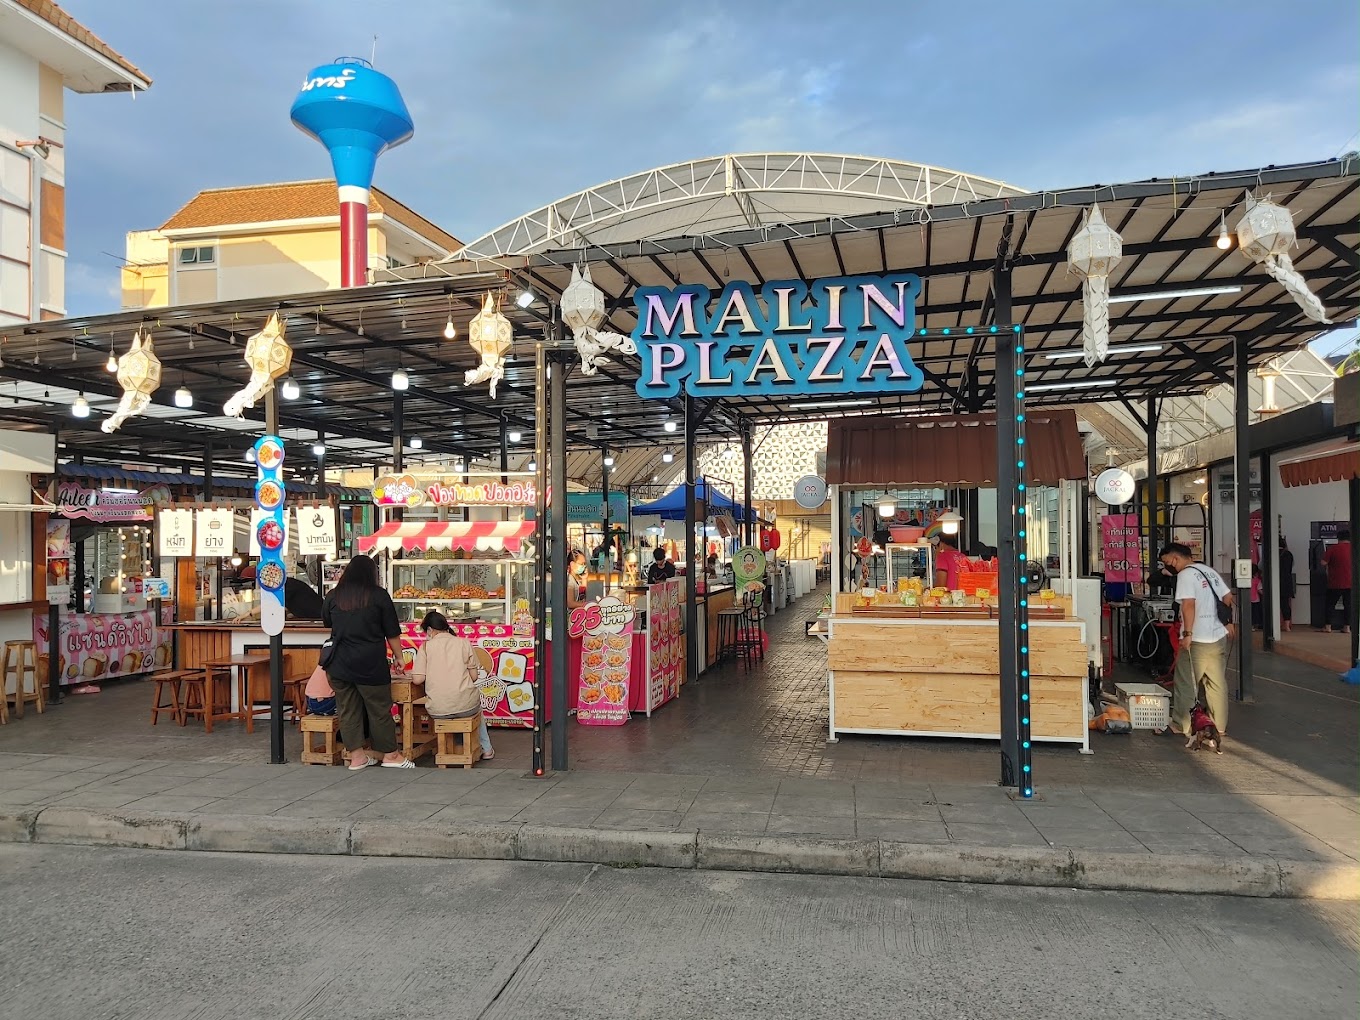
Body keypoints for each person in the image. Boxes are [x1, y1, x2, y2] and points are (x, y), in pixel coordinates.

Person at [321, 554, 412, 770]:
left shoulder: (334, 596)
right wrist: (399, 657)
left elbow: (327, 622)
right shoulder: (378, 596)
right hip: (370, 662)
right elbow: (392, 632)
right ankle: (390, 755)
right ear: (372, 574)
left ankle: (357, 757)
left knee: (347, 709)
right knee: (379, 708)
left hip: (339, 664)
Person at [1158, 542, 1234, 738]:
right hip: (1217, 636)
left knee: (1186, 682)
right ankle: (1220, 726)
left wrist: (1188, 634)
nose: (1169, 567)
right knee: (1216, 683)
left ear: (1175, 558)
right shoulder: (1208, 571)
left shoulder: (1185, 575)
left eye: (1168, 562)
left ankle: (1180, 724)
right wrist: (1228, 621)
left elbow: (1188, 605)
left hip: (1197, 639)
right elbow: (1227, 597)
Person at [412, 611, 493, 761]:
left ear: (429, 630)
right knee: (477, 709)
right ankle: (486, 749)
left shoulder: (425, 648)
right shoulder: (463, 643)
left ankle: (449, 746)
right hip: (467, 706)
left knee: (449, 706)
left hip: (437, 709)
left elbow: (417, 679)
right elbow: (474, 676)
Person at [1322, 528, 1353, 634]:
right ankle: (1347, 627)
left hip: (1335, 582)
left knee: (1330, 604)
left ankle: (1328, 627)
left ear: (1338, 538)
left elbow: (1323, 563)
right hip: (1351, 582)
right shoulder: (1354, 548)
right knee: (1348, 605)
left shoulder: (1332, 548)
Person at [1279, 536, 1295, 633]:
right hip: (1287, 582)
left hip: (1274, 581)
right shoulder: (1289, 554)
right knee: (1285, 604)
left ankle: (1273, 624)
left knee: (1270, 604)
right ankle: (1287, 626)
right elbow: (1292, 566)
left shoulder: (1270, 552)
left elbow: (1260, 565)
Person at [1250, 564, 1263, 630]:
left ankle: (1250, 626)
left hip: (1248, 599)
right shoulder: (1257, 580)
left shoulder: (1247, 580)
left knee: (1250, 613)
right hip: (1255, 599)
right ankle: (1254, 626)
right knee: (1255, 614)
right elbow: (1259, 590)